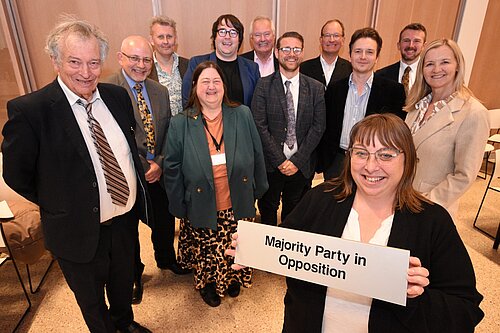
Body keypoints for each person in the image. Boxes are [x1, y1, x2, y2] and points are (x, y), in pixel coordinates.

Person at [228, 113, 484, 333]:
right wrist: (253, 249)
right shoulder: (322, 198)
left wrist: (417, 297)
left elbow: (466, 311)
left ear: (407, 160)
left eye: (385, 154)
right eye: (361, 153)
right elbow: (287, 245)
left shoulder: (431, 222)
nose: (371, 166)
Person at [1, 18, 152, 333]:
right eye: (75, 62)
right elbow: (17, 175)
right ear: (55, 61)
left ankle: (125, 323)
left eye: (94, 62)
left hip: (124, 220)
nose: (86, 72)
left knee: (123, 284)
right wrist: (63, 202)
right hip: (76, 229)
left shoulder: (116, 96)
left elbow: (128, 148)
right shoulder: (31, 111)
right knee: (91, 300)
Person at [164, 61, 268, 307]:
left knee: (234, 243)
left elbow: (257, 153)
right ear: (194, 87)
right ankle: (209, 284)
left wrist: (259, 189)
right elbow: (172, 168)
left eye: (216, 82)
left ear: (224, 86)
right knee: (207, 249)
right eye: (205, 82)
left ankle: (232, 278)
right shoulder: (181, 123)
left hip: (238, 197)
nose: (211, 87)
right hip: (201, 201)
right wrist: (179, 206)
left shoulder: (241, 114)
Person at [103, 35, 190, 304]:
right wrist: (144, 167)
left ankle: (165, 259)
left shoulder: (159, 91)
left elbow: (167, 132)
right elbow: (112, 138)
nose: (140, 65)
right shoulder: (107, 92)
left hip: (159, 171)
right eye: (134, 58)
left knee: (164, 219)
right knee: (128, 229)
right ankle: (134, 275)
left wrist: (160, 162)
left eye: (145, 59)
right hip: (129, 174)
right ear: (120, 58)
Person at [405, 38, 489, 219]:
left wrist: (426, 203)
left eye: (444, 62)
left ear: (457, 66)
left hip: (430, 208)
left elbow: (464, 175)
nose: (436, 70)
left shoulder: (473, 113)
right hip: (402, 199)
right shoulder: (415, 106)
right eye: (429, 64)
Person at [252, 31, 326, 226]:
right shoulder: (263, 85)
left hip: (301, 166)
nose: (291, 53)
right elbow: (259, 125)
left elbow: (319, 126)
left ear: (302, 53)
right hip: (271, 164)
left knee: (294, 212)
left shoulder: (316, 88)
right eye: (285, 48)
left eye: (296, 49)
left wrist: (296, 161)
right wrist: (280, 160)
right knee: (268, 208)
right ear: (277, 53)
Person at [318, 27, 406, 180]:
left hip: (373, 164)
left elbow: (395, 134)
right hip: (337, 161)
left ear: (377, 57)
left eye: (369, 52)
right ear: (350, 55)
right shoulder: (334, 89)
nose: (363, 57)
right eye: (358, 51)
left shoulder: (393, 91)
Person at [181, 14, 260, 107]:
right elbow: (188, 100)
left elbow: (258, 105)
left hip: (242, 121)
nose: (227, 37)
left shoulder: (252, 68)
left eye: (233, 32)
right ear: (215, 37)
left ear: (239, 39)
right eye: (222, 31)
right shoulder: (197, 63)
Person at [148, 15, 189, 116]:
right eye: (160, 37)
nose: (165, 41)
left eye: (169, 36)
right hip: (161, 130)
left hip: (187, 127)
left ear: (175, 39)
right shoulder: (146, 69)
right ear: (152, 40)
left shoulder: (188, 65)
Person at [376, 23, 427, 95]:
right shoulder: (381, 76)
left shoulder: (429, 76)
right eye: (406, 40)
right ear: (398, 45)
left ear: (423, 46)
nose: (411, 45)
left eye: (416, 41)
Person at [300, 19, 352, 88]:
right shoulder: (304, 68)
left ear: (343, 40)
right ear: (321, 40)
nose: (331, 40)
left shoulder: (350, 69)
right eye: (327, 35)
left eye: (336, 35)